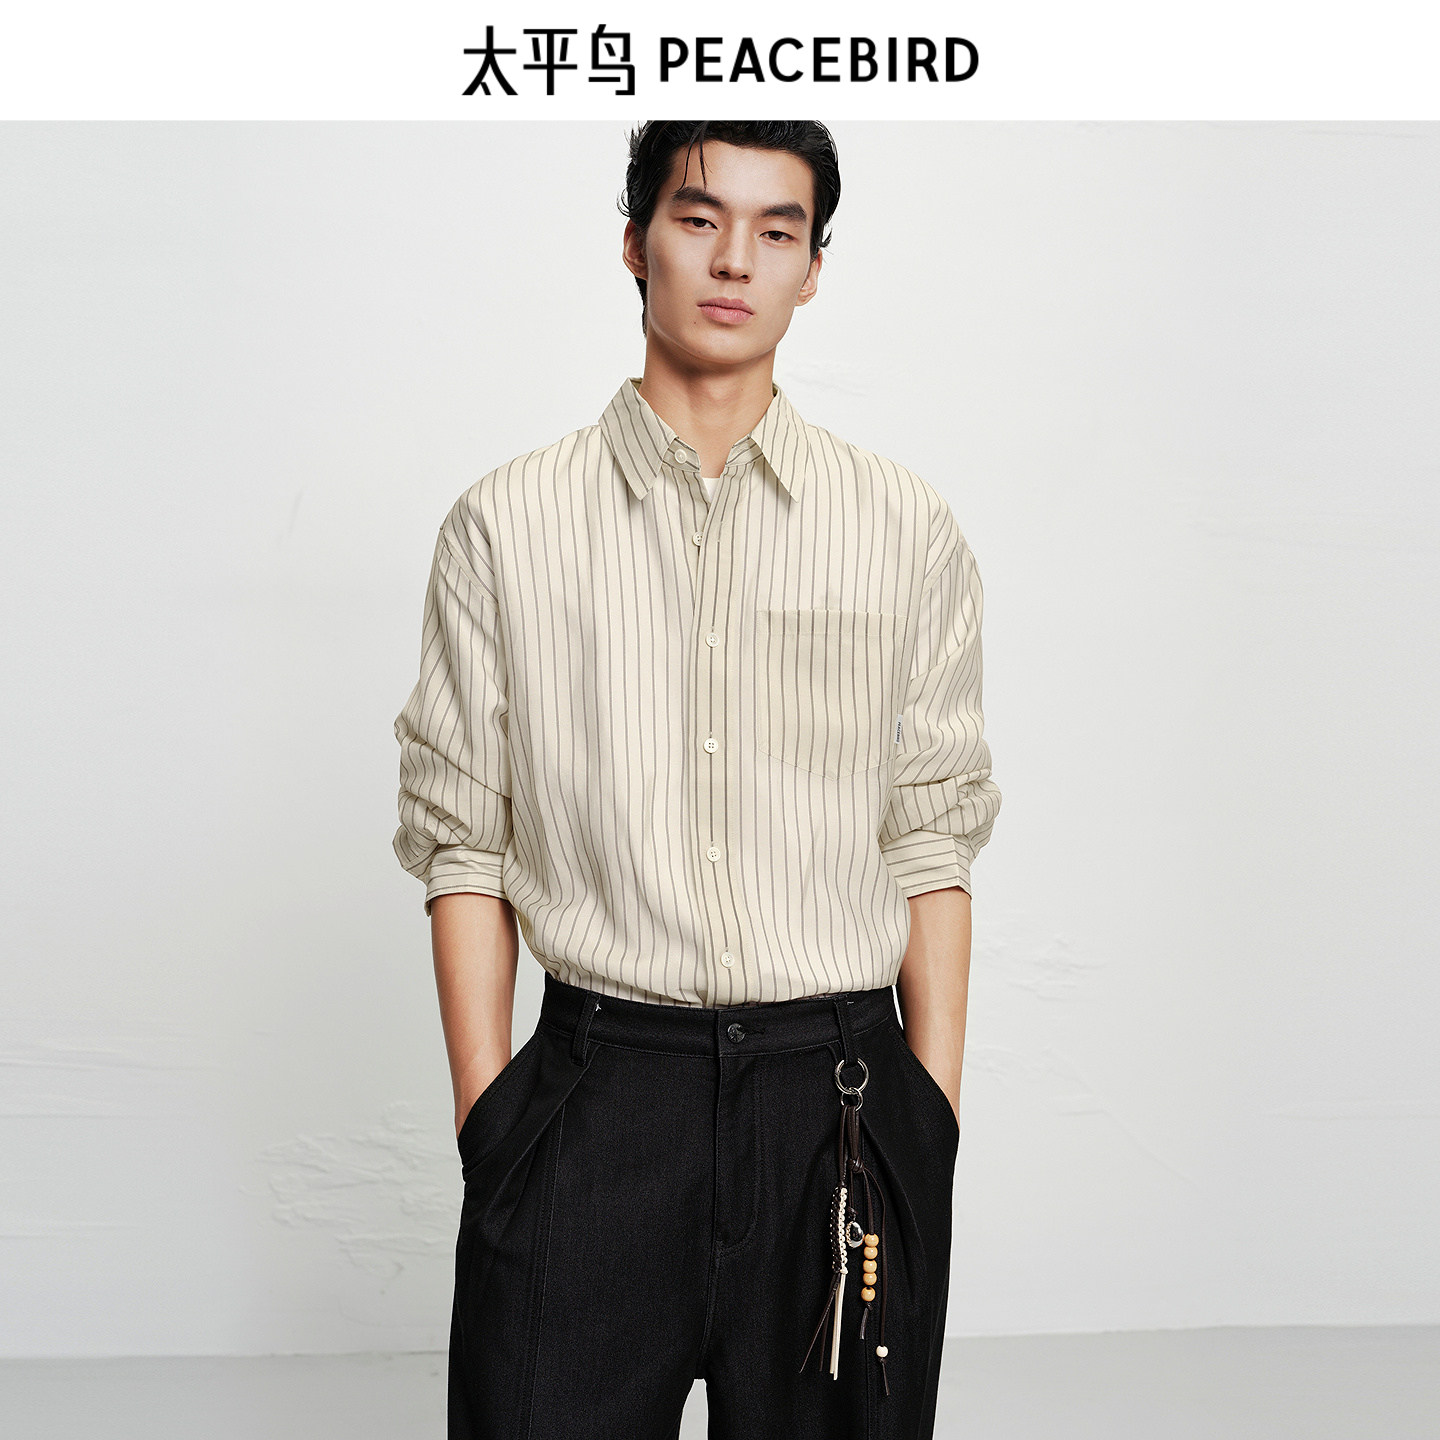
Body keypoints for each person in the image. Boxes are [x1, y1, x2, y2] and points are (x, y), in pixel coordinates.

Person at [391, 120, 1002, 1440]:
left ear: (813, 269)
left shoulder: (902, 528)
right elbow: (464, 844)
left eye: (778, 231)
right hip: (597, 1098)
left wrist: (928, 1122)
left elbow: (932, 833)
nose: (736, 260)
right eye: (698, 218)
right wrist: (495, 1129)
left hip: (839, 1109)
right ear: (634, 241)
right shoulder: (506, 526)